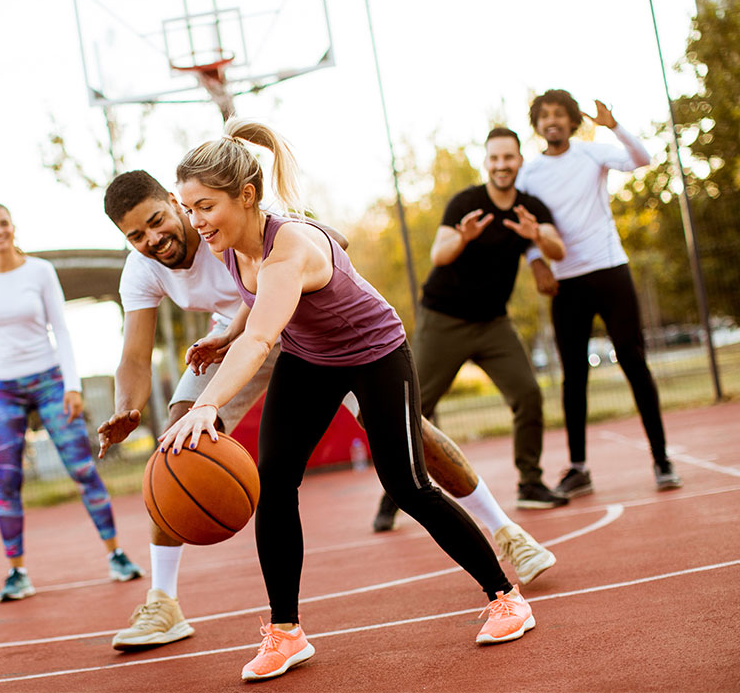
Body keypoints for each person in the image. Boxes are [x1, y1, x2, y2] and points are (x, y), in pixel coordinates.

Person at [101, 170, 555, 652]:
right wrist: (129, 408)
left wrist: (312, 252)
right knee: (182, 446)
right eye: (135, 235)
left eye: (157, 221)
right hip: (245, 341)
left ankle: (505, 535)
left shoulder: (241, 221)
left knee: (408, 461)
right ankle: (177, 604)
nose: (153, 239)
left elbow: (310, 256)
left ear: (176, 203)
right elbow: (137, 355)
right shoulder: (172, 256)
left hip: (333, 338)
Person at [373, 127, 568, 535]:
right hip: (444, 320)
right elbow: (438, 254)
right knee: (414, 408)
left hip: (493, 324)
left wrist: (536, 237)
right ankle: (393, 496)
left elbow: (557, 249)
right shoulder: (467, 202)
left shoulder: (529, 208)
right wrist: (462, 238)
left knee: (528, 394)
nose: (502, 165)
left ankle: (530, 482)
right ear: (487, 162)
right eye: (494, 158)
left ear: (519, 161)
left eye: (509, 158)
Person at [0, 202, 143, 603]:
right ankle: (17, 573)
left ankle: (117, 556)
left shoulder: (39, 271)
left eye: (3, 223)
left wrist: (72, 386)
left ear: (12, 227)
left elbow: (61, 328)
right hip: (2, 388)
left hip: (49, 381)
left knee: (82, 469)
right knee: (7, 480)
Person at [517, 90, 682, 496]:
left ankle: (661, 458)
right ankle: (578, 468)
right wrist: (537, 262)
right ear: (537, 125)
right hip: (565, 282)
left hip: (609, 270)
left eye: (559, 114)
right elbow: (520, 224)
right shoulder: (529, 174)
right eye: (544, 115)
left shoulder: (592, 153)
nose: (551, 120)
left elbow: (642, 159)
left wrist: (614, 126)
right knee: (573, 377)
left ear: (573, 122)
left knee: (633, 360)